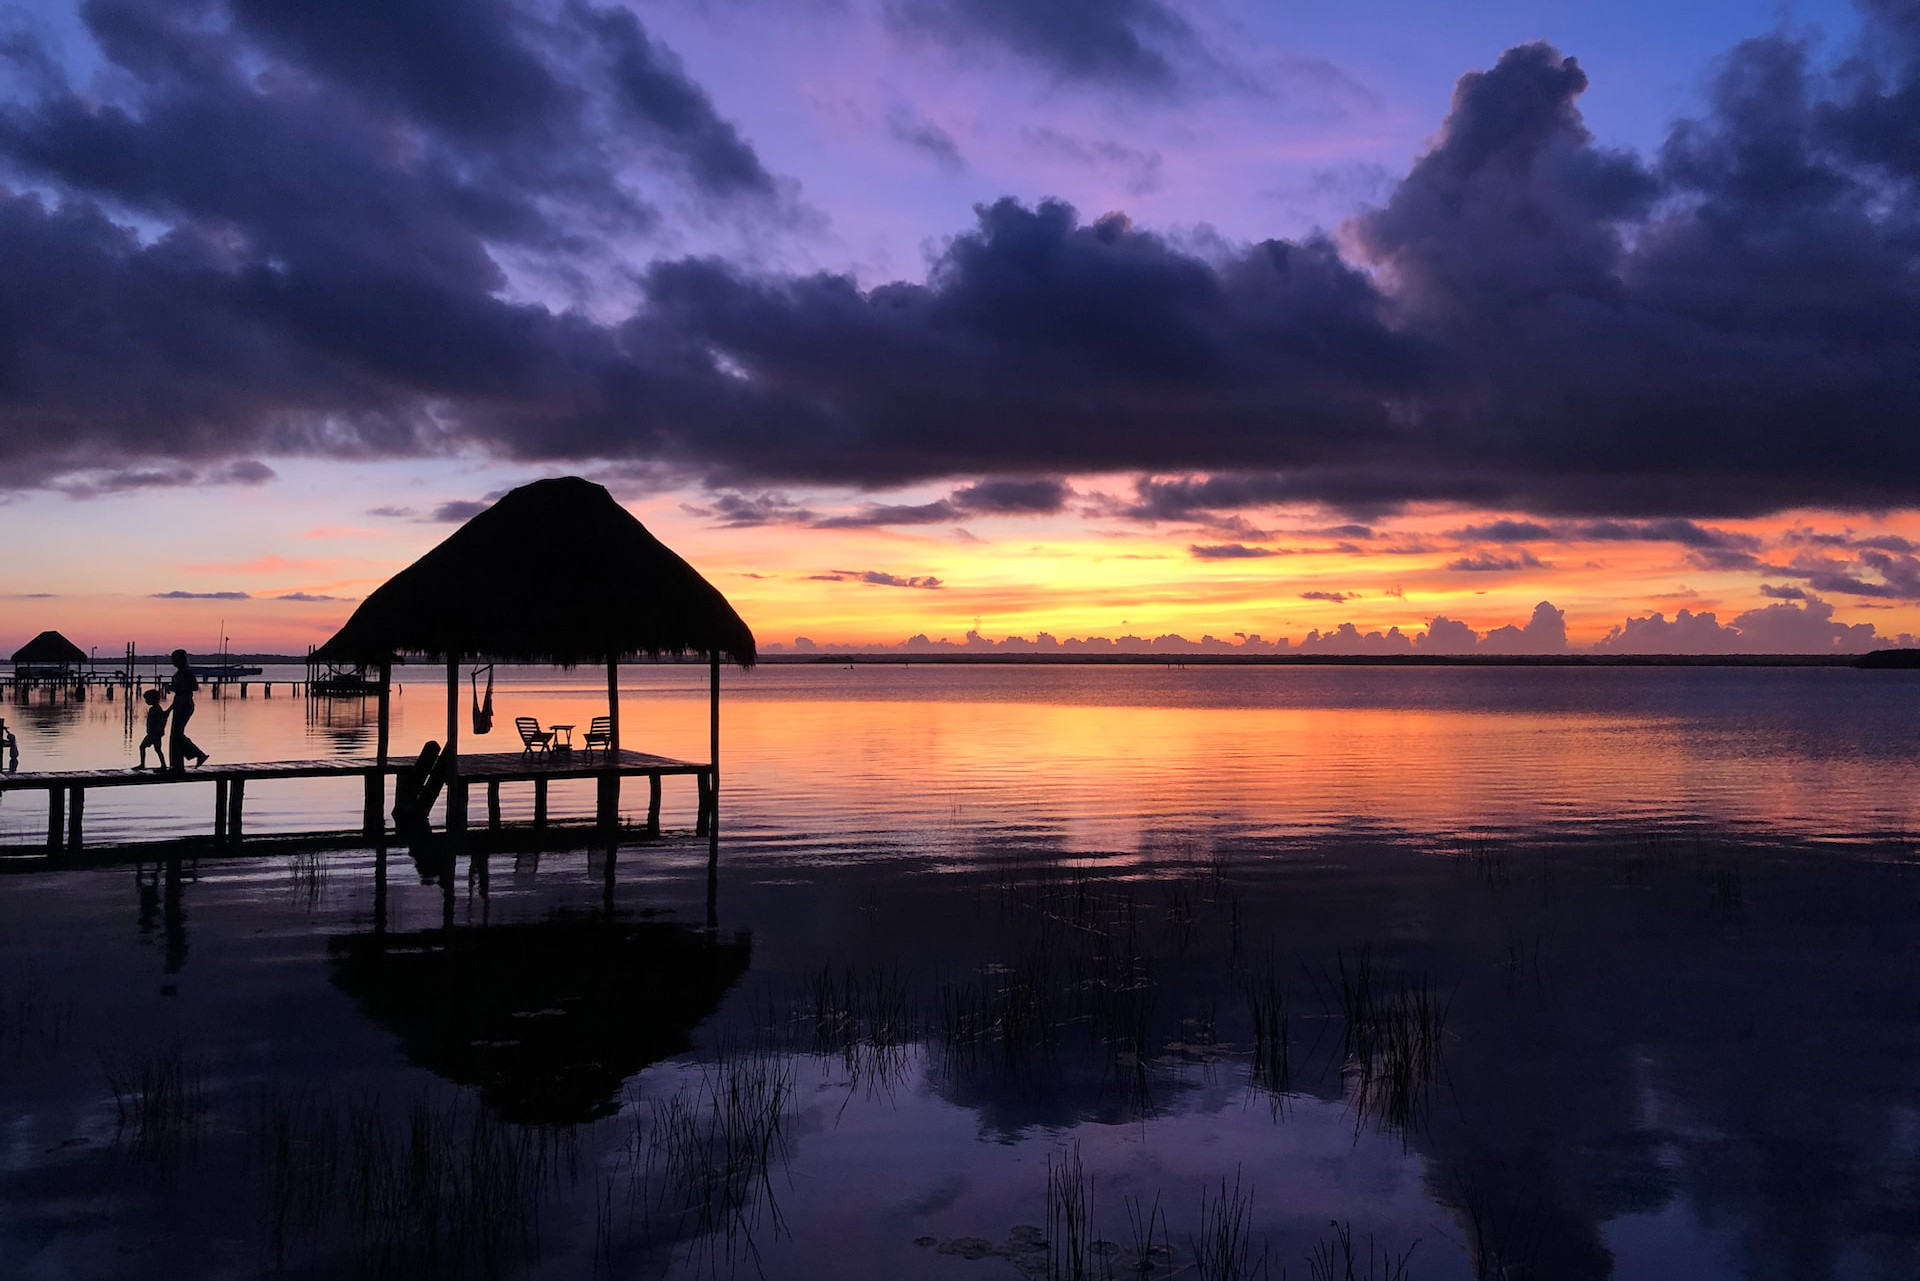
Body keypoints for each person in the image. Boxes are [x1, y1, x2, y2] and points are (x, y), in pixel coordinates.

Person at [167, 649, 209, 772]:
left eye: (175, 659)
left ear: (181, 659)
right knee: (175, 735)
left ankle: (198, 754)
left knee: (177, 734)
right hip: (179, 703)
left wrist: (178, 688)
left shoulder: (187, 672)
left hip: (184, 704)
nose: (173, 661)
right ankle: (177, 765)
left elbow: (194, 686)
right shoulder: (180, 672)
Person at [137, 689, 168, 770]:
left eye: (147, 699)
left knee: (143, 747)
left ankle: (143, 764)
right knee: (157, 749)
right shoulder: (153, 708)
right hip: (152, 733)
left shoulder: (156, 709)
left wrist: (171, 708)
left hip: (154, 734)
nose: (146, 701)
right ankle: (163, 765)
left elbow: (163, 716)